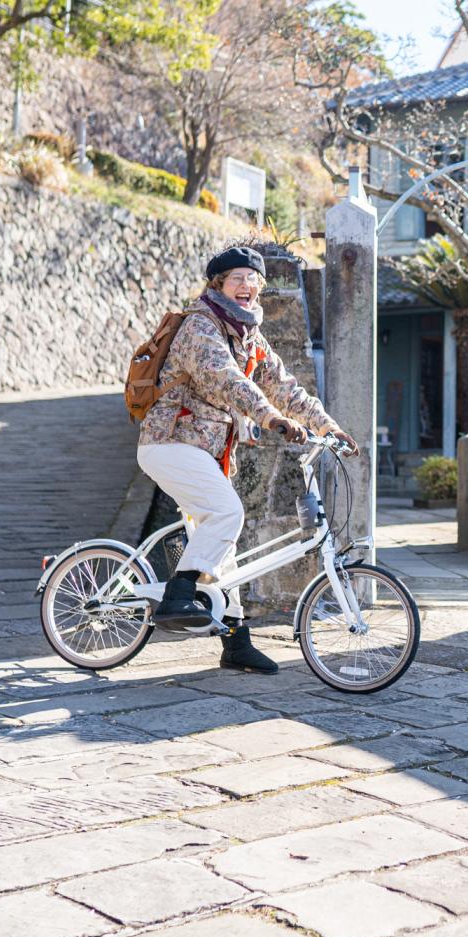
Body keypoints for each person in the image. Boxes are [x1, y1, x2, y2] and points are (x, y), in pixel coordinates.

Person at [136, 245, 357, 673]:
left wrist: (328, 427)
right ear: (217, 284)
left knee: (225, 551)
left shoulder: (248, 336)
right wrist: (271, 418)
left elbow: (285, 386)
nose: (247, 285)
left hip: (205, 454)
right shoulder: (200, 327)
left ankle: (235, 643)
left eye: (253, 279)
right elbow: (229, 381)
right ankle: (178, 594)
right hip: (169, 442)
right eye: (237, 278)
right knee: (226, 513)